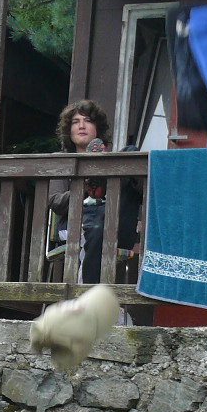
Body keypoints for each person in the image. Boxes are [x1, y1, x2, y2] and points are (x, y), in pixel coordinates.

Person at [47, 100, 138, 285]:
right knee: (98, 224)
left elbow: (140, 193)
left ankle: (104, 180)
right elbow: (55, 202)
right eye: (75, 122)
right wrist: (84, 185)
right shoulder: (61, 161)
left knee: (131, 153)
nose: (81, 125)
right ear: (69, 130)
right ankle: (98, 181)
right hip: (78, 224)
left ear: (98, 128)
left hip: (117, 223)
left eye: (88, 120)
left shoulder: (116, 162)